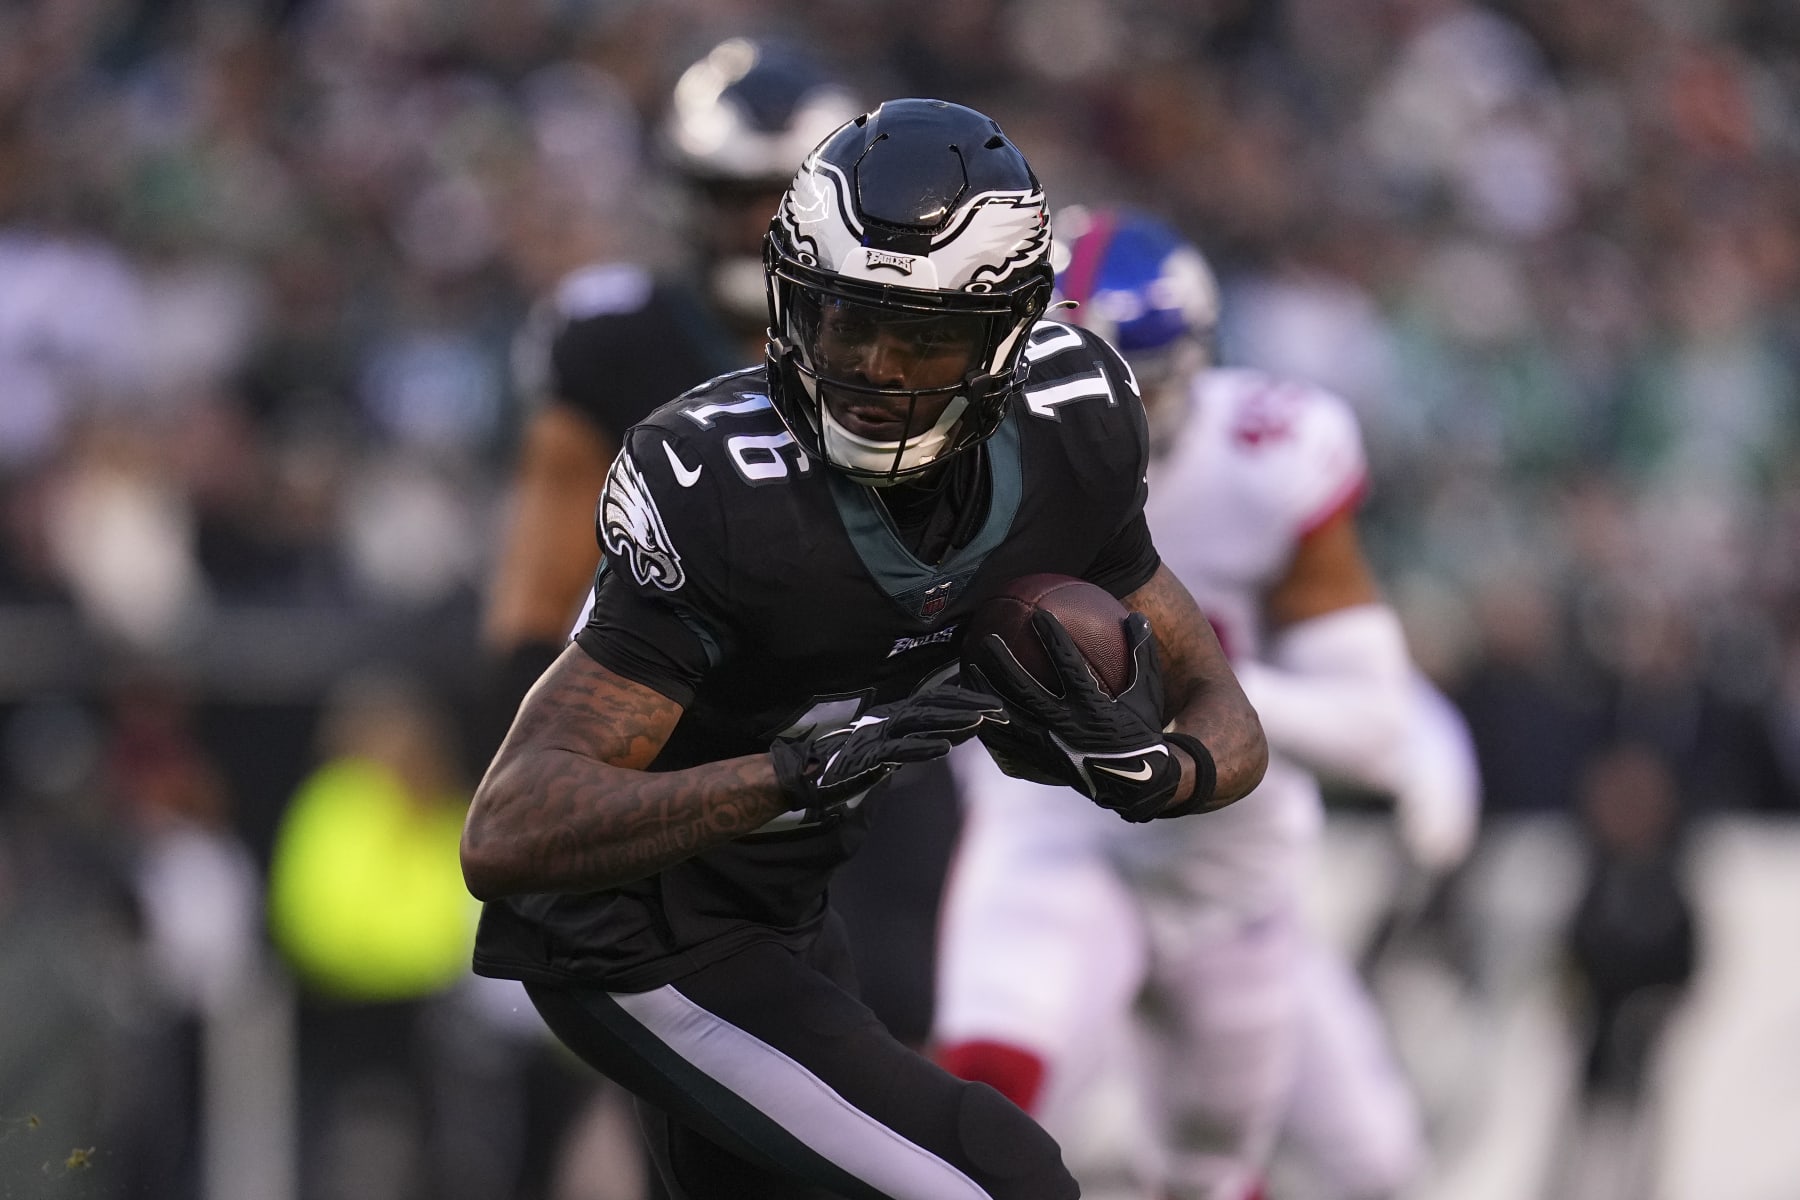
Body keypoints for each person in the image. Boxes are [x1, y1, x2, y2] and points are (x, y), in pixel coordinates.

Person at [460, 100, 1268, 1199]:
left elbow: (1216, 697)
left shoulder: (1075, 425)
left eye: (922, 333)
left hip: (787, 914)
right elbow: (508, 831)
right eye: (845, 321)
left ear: (1008, 333)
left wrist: (1163, 771)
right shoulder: (722, 488)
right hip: (636, 940)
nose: (876, 367)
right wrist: (789, 775)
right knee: (1000, 1177)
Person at [932, 207, 1482, 1200]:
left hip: (1230, 859)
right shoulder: (965, 469)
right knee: (985, 1107)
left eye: (1137, 380)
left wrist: (1192, 689)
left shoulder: (1269, 453)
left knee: (1281, 1169)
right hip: (1057, 825)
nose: (1113, 411)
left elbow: (1366, 719)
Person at [482, 36, 863, 737]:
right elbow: (537, 602)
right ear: (687, 194)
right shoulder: (617, 344)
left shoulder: (899, 340)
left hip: (876, 735)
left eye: (787, 197)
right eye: (735, 195)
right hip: (674, 728)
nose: (762, 224)